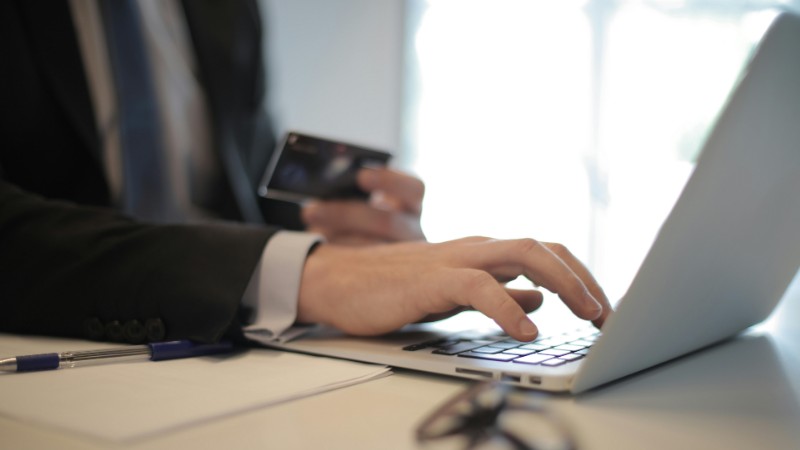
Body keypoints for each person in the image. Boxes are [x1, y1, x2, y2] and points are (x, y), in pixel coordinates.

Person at [0, 0, 611, 347]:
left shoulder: (224, 12)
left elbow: (250, 188)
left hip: (235, 348)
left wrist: (358, 244)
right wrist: (312, 272)